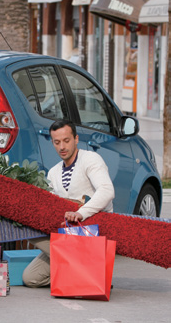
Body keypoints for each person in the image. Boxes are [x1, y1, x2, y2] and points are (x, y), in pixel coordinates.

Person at [22, 119, 115, 288]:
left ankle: (86, 271)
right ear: (52, 143)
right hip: (67, 235)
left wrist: (81, 213)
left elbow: (107, 191)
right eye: (57, 142)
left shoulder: (91, 159)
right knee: (31, 278)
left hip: (92, 230)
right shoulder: (54, 172)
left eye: (66, 140)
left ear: (76, 139)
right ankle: (82, 271)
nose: (62, 147)